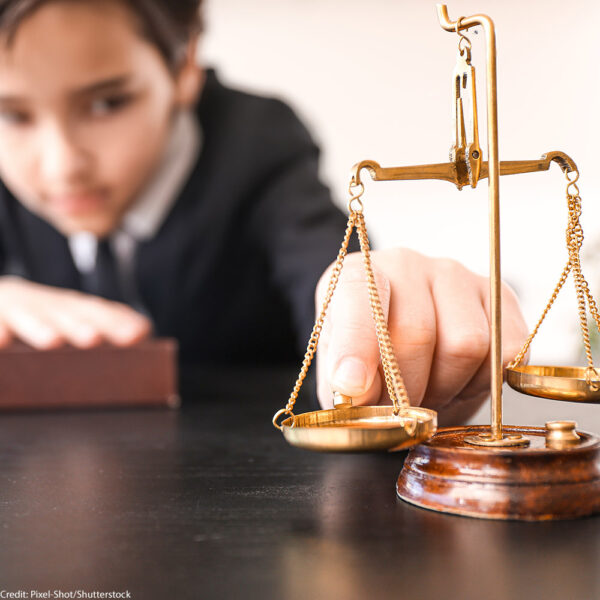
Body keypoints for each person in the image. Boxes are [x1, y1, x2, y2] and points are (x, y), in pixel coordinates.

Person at [0, 0, 527, 424]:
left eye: (107, 103)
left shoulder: (257, 144)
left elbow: (326, 268)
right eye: (11, 114)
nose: (63, 165)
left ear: (185, 65)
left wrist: (375, 303)